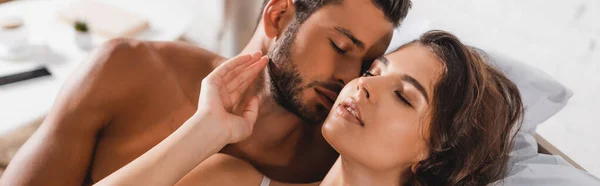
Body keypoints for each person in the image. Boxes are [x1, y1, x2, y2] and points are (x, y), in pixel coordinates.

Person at [0, 0, 412, 185]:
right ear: (278, 15)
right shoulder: (126, 70)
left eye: (365, 66)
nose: (349, 78)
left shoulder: (335, 160)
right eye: (340, 47)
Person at [93, 30, 524, 186]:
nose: (362, 86)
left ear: (437, 152)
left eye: (403, 95)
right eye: (375, 72)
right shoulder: (231, 177)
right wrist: (203, 131)